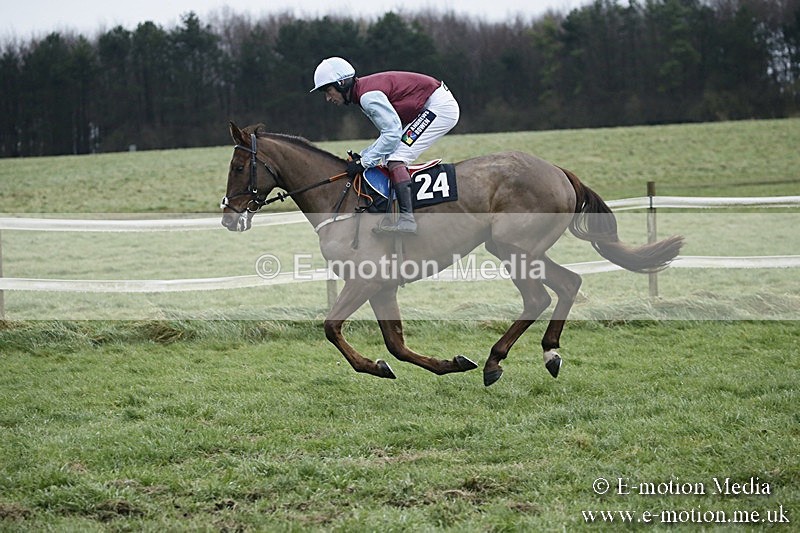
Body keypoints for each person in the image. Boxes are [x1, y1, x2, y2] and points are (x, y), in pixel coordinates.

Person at [310, 57, 460, 234]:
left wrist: (364, 162)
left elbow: (392, 135)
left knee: (396, 159)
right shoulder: (363, 94)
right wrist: (365, 156)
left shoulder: (368, 97)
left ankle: (407, 220)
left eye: (328, 90)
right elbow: (387, 136)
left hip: (439, 108)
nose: (328, 98)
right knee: (390, 156)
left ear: (342, 83)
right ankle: (397, 214)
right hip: (431, 104)